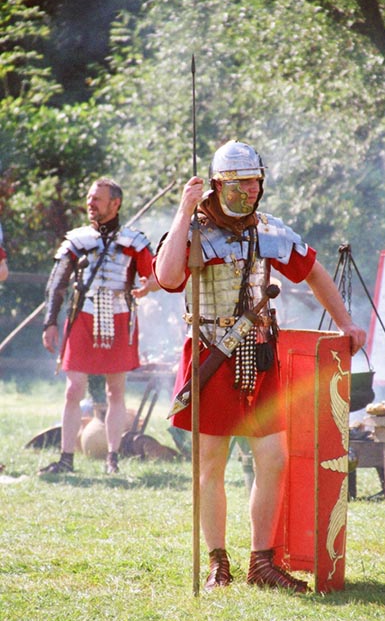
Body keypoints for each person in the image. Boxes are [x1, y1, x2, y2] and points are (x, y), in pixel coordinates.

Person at [154, 140, 366, 593]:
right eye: (239, 182)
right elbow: (169, 277)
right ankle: (217, 563)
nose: (250, 190)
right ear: (217, 185)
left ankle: (262, 562)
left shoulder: (269, 230)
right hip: (211, 351)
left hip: (258, 353)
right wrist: (182, 211)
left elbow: (314, 271)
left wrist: (346, 322)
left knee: (273, 458)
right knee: (210, 463)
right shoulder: (193, 231)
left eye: (255, 181)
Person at [40, 177, 158, 475]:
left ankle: (112, 458)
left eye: (97, 199)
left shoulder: (134, 242)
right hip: (83, 316)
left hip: (119, 317)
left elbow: (157, 275)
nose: (90, 204)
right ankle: (67, 458)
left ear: (115, 204)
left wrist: (148, 288)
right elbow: (57, 283)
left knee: (115, 391)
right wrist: (50, 322)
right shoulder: (77, 240)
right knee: (73, 390)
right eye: (90, 198)